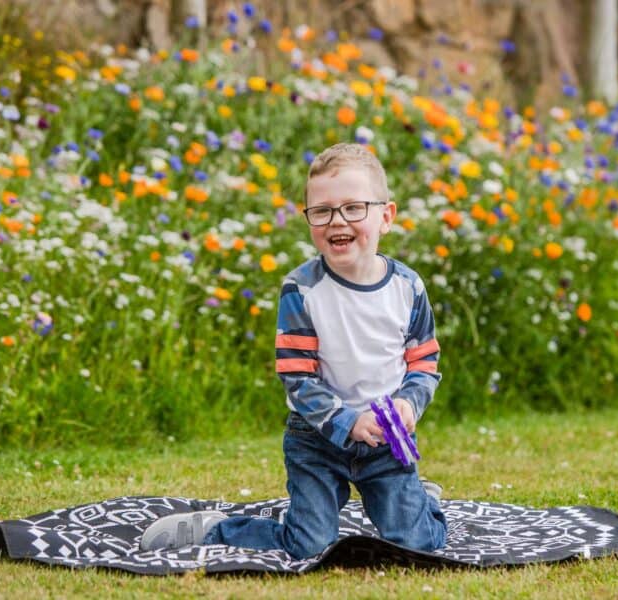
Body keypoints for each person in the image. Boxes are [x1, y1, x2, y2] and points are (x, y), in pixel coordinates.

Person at [140, 143, 446, 558]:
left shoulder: (407, 287)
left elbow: (423, 361)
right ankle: (218, 530)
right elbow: (298, 377)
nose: (337, 220)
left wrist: (410, 404)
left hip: (385, 438)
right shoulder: (302, 289)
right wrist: (346, 421)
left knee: (419, 546)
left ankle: (420, 503)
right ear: (309, 220)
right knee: (309, 544)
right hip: (316, 438)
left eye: (354, 208)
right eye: (322, 211)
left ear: (386, 216)